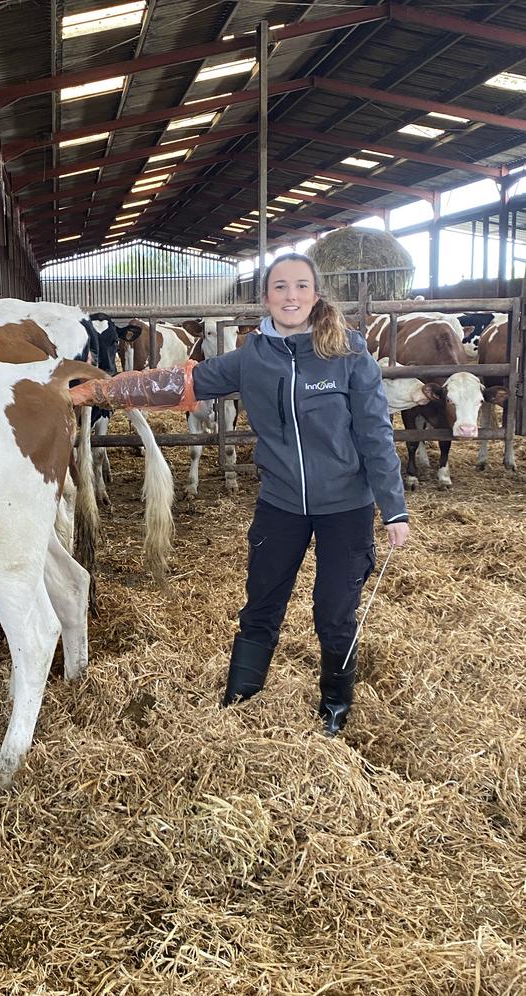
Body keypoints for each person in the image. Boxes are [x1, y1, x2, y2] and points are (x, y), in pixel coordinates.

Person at [191, 253, 410, 734]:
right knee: (262, 602)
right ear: (265, 296)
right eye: (280, 287)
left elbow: (375, 432)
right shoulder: (252, 356)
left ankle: (334, 706)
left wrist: (394, 508)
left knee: (334, 609)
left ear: (315, 294)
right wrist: (108, 389)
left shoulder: (349, 352)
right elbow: (188, 382)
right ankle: (241, 699)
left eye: (301, 286)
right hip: (280, 504)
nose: (291, 296)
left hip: (346, 508)